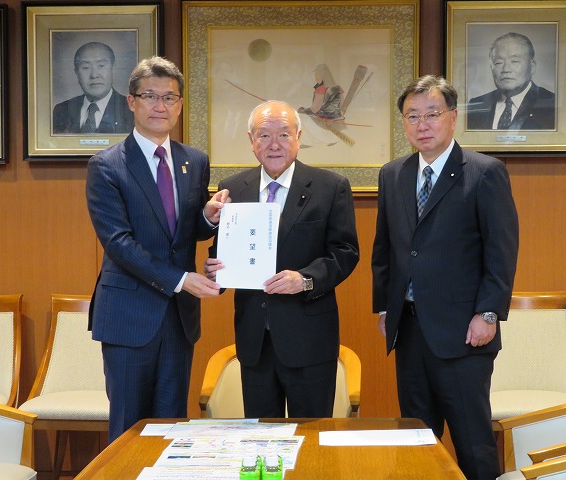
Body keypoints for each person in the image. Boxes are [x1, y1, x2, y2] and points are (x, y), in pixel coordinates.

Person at [372, 75, 518, 480]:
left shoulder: (484, 172)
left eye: (432, 114)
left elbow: (501, 251)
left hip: (465, 333)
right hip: (409, 329)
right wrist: (384, 307)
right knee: (418, 441)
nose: (422, 125)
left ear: (453, 117)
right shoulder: (393, 174)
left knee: (472, 442)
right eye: (412, 116)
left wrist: (488, 314)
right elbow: (385, 249)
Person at [86, 56, 228, 442]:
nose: (160, 106)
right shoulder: (107, 166)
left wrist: (208, 218)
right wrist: (181, 279)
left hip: (179, 319)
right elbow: (118, 243)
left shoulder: (194, 161)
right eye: (150, 96)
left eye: (169, 97)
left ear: (180, 105)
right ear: (131, 102)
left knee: (171, 428)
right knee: (129, 428)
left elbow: (183, 232)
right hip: (129, 315)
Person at [205, 100, 359, 418]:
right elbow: (223, 251)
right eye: (264, 136)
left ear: (298, 137)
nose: (274, 145)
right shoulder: (232, 189)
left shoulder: (330, 187)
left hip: (309, 339)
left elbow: (345, 253)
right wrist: (215, 270)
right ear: (251, 141)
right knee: (261, 436)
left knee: (312, 436)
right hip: (254, 341)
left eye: (284, 135)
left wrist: (304, 279)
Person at [467, 32, 555, 130]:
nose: (506, 69)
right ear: (491, 67)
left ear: (532, 67)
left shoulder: (552, 104)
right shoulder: (477, 105)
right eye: (499, 62)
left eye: (514, 61)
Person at [53, 41, 134, 134]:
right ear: (76, 73)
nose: (94, 75)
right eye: (86, 67)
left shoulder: (131, 109)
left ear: (113, 69)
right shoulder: (62, 110)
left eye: (101, 66)